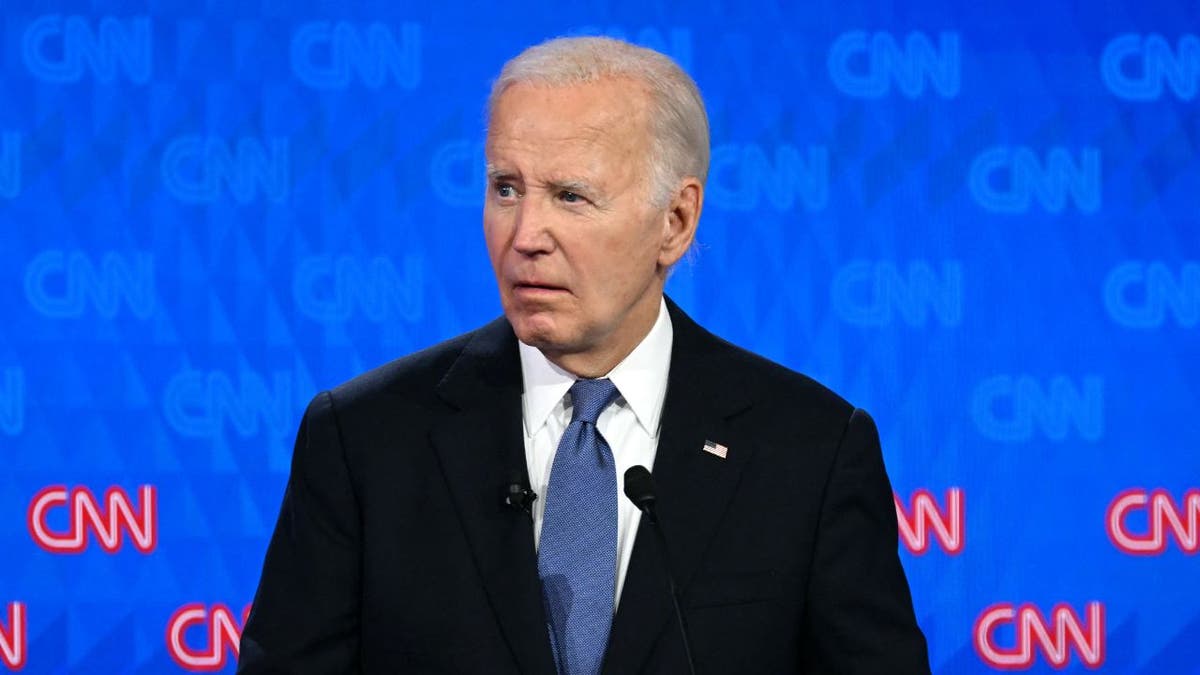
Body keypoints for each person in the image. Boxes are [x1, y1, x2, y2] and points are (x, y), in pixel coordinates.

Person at [238, 36, 930, 674]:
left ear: (676, 220)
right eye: (506, 188)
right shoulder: (365, 439)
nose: (525, 233)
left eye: (571, 196)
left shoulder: (809, 449)